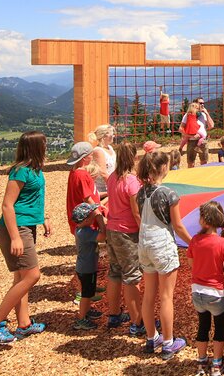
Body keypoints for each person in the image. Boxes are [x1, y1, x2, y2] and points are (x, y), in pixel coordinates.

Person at [0, 131, 52, 345]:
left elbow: (33, 199)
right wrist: (15, 237)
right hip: (16, 228)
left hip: (27, 226)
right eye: (44, 144)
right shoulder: (20, 172)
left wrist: (44, 217)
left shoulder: (35, 170)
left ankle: (24, 324)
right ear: (35, 147)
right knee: (33, 276)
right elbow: (7, 205)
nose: (47, 147)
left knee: (22, 278)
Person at [136, 150, 193, 360]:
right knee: (166, 296)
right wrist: (193, 243)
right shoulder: (169, 194)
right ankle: (169, 342)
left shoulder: (141, 193)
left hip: (144, 244)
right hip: (162, 244)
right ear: (162, 168)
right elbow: (177, 226)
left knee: (149, 295)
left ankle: (152, 337)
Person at [189, 202, 224, 376]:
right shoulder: (223, 243)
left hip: (197, 293)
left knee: (203, 325)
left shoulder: (194, 240)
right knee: (220, 326)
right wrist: (220, 269)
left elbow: (191, 264)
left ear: (205, 221)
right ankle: (217, 364)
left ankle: (201, 363)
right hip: (215, 293)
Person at [105, 143, 146, 334]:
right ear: (133, 157)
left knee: (114, 272)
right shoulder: (132, 182)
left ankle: (113, 314)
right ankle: (137, 322)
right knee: (132, 276)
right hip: (127, 233)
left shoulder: (112, 178)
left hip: (112, 229)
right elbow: (136, 212)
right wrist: (144, 233)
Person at [66, 141, 104, 305]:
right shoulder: (82, 175)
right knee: (85, 257)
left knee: (91, 255)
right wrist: (101, 221)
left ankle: (90, 288)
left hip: (83, 221)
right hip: (86, 221)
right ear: (85, 158)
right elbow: (88, 199)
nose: (92, 156)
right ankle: (83, 293)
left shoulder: (75, 172)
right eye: (90, 154)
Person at [71, 202, 104, 330]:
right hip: (87, 269)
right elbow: (103, 236)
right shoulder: (85, 232)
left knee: (88, 292)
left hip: (84, 267)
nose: (94, 216)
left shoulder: (80, 229)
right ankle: (81, 319)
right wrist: (100, 219)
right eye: (91, 216)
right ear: (85, 220)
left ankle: (86, 311)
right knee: (86, 294)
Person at [182, 100, 216, 168]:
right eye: (200, 103)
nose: (202, 104)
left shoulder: (203, 114)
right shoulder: (188, 115)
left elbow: (211, 126)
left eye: (203, 103)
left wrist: (207, 113)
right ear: (195, 104)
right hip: (192, 141)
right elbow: (181, 129)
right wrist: (191, 135)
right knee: (191, 163)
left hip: (203, 141)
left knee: (204, 162)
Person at [87, 125, 117, 197]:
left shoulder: (110, 148)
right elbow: (103, 172)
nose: (114, 136)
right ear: (104, 136)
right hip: (103, 190)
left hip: (110, 185)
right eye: (111, 134)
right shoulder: (98, 151)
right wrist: (114, 186)